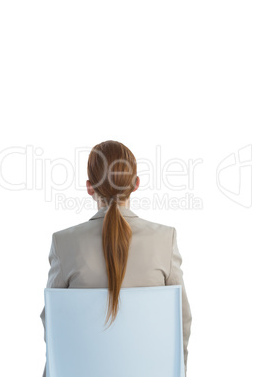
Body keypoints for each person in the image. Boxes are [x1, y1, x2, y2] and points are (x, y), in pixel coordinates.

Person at [40, 140, 192, 376]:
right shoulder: (165, 239)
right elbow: (182, 320)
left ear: (90, 187)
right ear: (136, 184)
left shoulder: (64, 243)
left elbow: (53, 323)